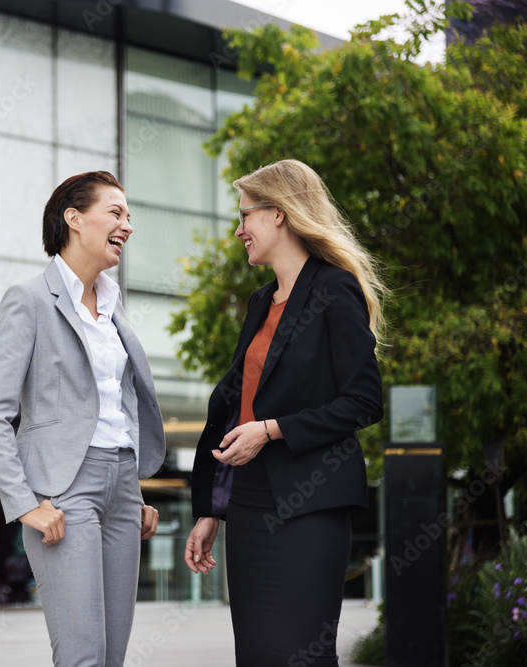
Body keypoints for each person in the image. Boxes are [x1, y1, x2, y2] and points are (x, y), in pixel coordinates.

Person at [183, 159, 387, 666]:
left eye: (245, 215)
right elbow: (237, 409)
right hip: (249, 502)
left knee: (301, 654)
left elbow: (363, 401)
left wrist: (272, 431)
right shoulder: (259, 303)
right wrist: (211, 508)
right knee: (256, 654)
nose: (239, 230)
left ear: (279, 214)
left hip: (312, 503)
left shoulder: (336, 289)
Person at [0, 171, 167, 667]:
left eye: (129, 215)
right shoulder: (30, 300)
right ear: (74, 219)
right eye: (117, 212)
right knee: (83, 654)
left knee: (112, 656)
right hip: (64, 492)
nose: (128, 224)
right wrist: (23, 505)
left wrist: (136, 489)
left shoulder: (113, 308)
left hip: (122, 487)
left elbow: (115, 406)